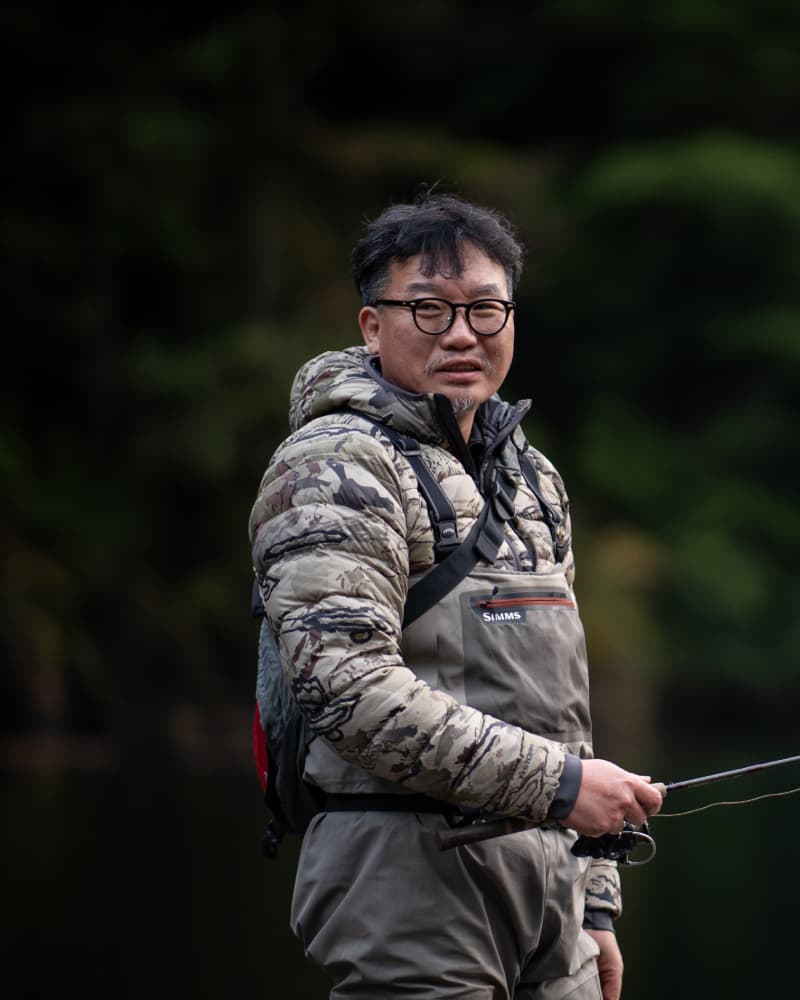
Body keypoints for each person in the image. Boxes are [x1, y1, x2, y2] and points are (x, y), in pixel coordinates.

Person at [248, 190, 663, 999]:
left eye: (484, 309)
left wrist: (596, 900)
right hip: (401, 877)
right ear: (373, 325)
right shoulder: (335, 465)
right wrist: (562, 788)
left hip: (551, 893)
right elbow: (345, 688)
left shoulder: (531, 475)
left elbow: (563, 706)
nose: (463, 334)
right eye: (429, 309)